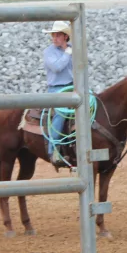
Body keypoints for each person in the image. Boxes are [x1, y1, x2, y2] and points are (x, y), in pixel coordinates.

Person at [42, 21, 75, 165]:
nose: (54, 38)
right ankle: (53, 150)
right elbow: (57, 68)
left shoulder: (74, 50)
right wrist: (67, 53)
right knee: (61, 114)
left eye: (57, 35)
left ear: (65, 36)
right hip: (56, 88)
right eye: (53, 35)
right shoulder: (48, 52)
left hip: (73, 86)